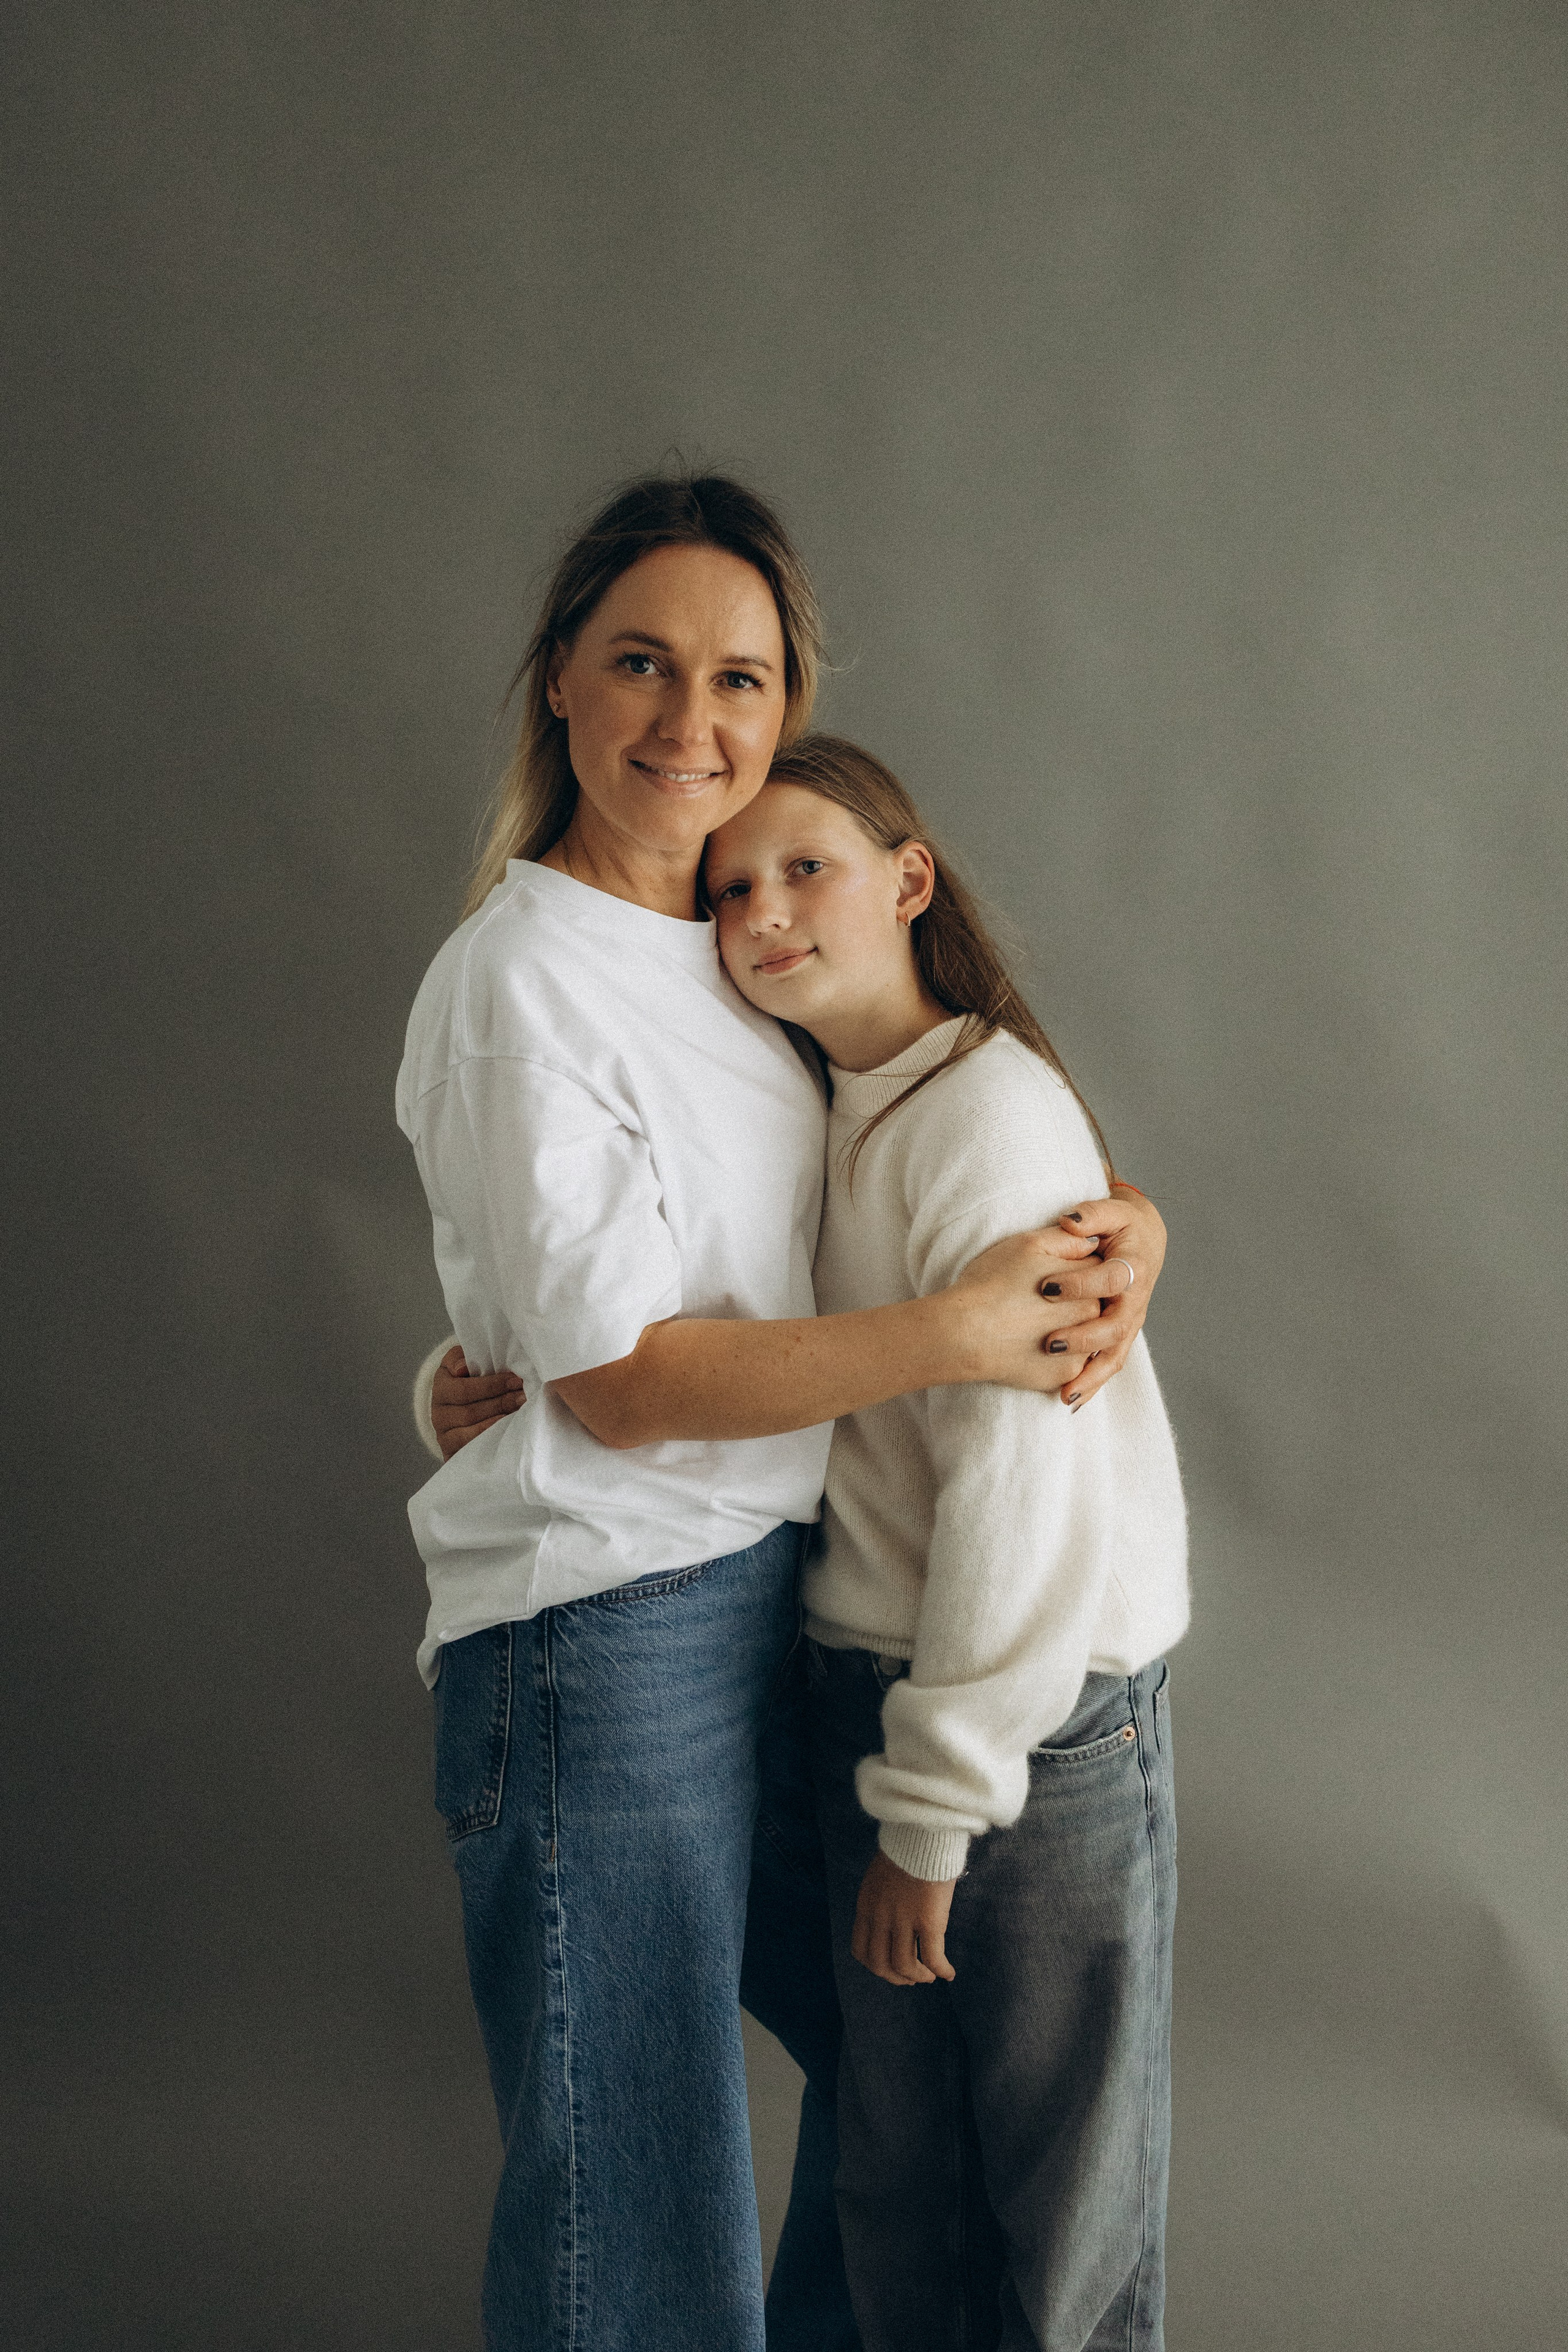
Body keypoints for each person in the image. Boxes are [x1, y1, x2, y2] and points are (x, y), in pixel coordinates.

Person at [398, 470, 1170, 2352]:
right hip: (605, 1631)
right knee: (637, 2201)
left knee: (901, 2115)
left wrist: (1126, 1229)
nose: (694, 721)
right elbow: (632, 1376)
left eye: (742, 678)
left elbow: (830, 1201)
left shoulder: (731, 958)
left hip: (773, 1603)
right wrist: (967, 1327)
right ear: (559, 685)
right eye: (642, 664)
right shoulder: (529, 973)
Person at [695, 737, 1188, 2352]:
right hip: (872, 1699)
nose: (764, 911)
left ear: (910, 882)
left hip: (1019, 1726)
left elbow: (1017, 1489)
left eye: (806, 867)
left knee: (1052, 2222)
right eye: (730, 888)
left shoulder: (988, 1114)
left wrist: (937, 1806)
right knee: (900, 2198)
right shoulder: (811, 1108)